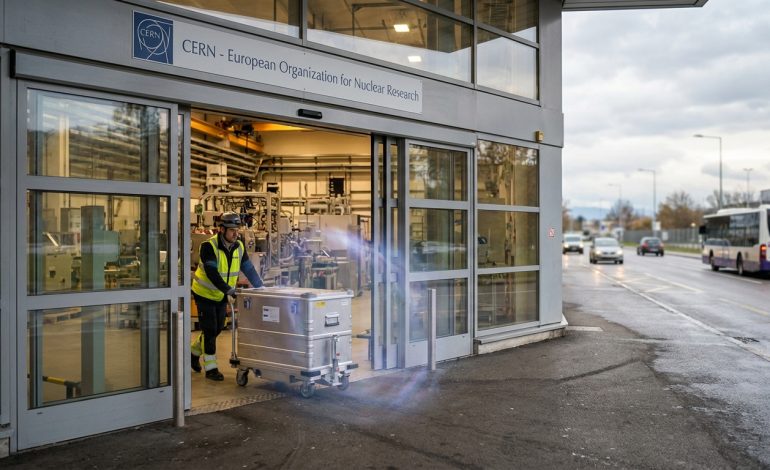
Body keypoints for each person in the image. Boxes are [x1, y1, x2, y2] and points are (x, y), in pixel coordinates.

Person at [191, 211, 263, 380]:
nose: (235, 234)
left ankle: (193, 353)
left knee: (216, 329)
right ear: (222, 229)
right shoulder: (209, 247)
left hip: (221, 294)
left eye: (237, 230)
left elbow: (248, 268)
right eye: (232, 230)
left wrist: (261, 287)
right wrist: (228, 289)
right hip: (205, 293)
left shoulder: (239, 246)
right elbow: (211, 272)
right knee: (210, 329)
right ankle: (211, 369)